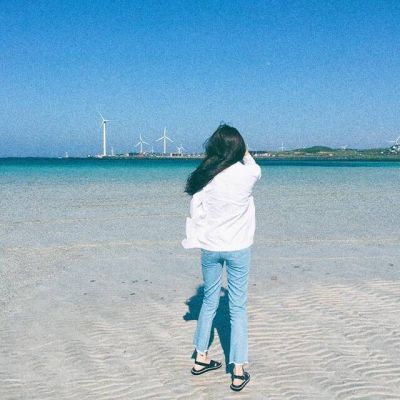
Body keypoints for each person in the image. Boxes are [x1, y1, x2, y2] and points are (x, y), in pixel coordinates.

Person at [182, 124, 262, 391]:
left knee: (208, 301)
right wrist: (244, 150)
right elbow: (252, 163)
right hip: (238, 247)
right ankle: (238, 371)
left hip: (211, 248)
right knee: (237, 308)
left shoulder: (207, 175)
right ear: (238, 147)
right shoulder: (248, 174)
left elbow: (197, 209)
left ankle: (201, 357)